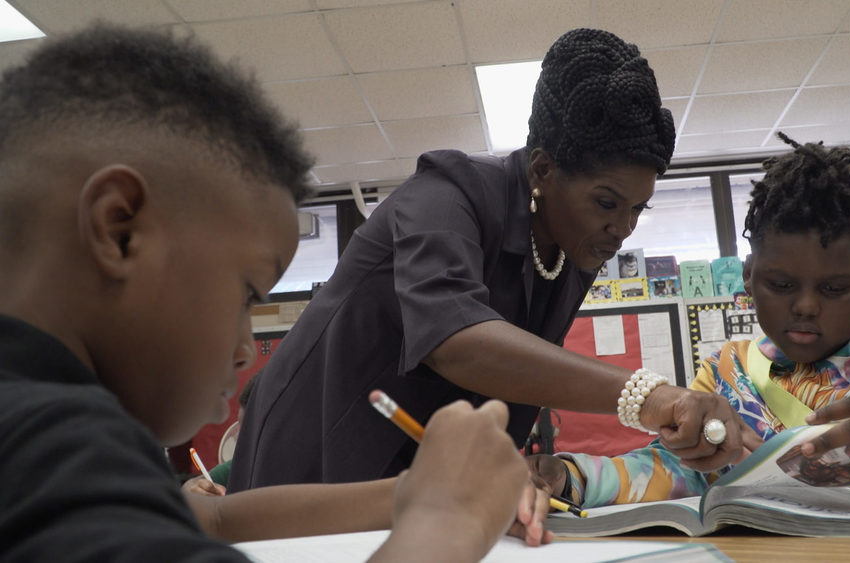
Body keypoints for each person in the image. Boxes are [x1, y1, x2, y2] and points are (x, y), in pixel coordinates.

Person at [0, 23, 546, 561]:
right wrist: (450, 521)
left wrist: (418, 492)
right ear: (120, 231)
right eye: (246, 295)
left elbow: (217, 518)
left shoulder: (61, 442)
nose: (246, 350)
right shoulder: (43, 451)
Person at [231, 27, 748, 493]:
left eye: (638, 208)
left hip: (415, 467)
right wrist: (649, 396)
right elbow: (456, 342)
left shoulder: (574, 248)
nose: (624, 227)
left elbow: (514, 382)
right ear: (542, 170)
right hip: (314, 447)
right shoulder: (445, 195)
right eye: (607, 203)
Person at [526, 133, 850, 508]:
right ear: (749, 279)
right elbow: (678, 469)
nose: (806, 306)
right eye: (781, 284)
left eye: (834, 289)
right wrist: (569, 476)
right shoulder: (727, 374)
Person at [183, 373, 260, 495]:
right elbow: (194, 487)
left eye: (248, 431)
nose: (237, 439)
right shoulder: (240, 466)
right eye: (240, 428)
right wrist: (192, 488)